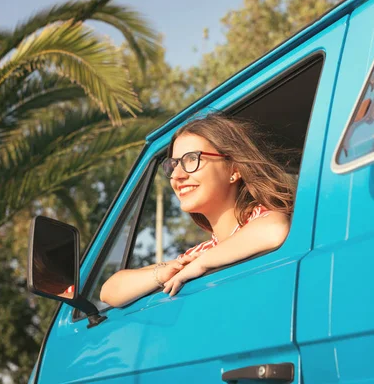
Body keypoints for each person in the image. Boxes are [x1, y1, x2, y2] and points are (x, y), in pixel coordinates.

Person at [100, 112, 295, 307]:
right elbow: (109, 291)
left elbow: (274, 229)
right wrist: (166, 270)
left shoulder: (265, 218)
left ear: (234, 169)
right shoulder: (204, 251)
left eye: (192, 159)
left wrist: (201, 263)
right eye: (173, 165)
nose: (177, 175)